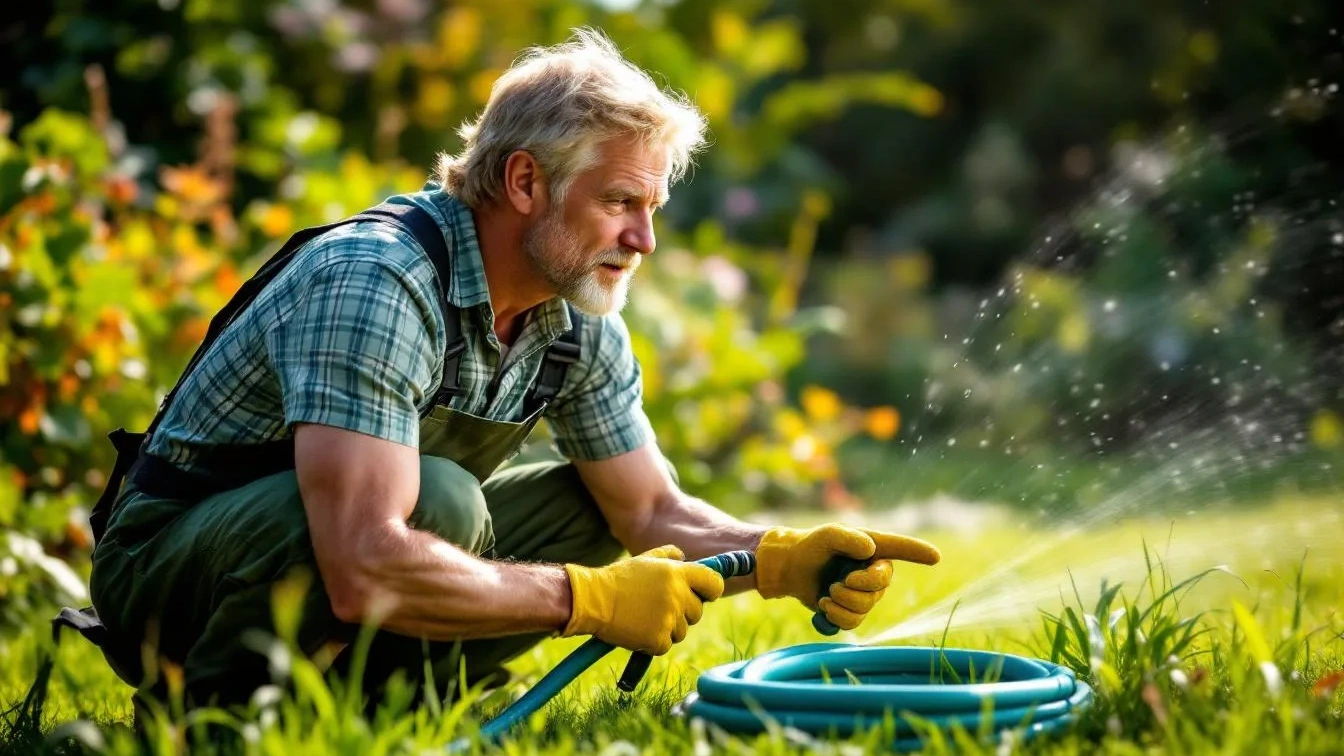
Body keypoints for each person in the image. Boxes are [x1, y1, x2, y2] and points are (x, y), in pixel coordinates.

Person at [85, 28, 941, 720]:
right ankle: (214, 718)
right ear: (526, 181)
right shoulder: (377, 280)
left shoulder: (574, 315)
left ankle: (388, 707)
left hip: (334, 558)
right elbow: (363, 558)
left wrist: (778, 559)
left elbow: (650, 511)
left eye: (652, 209)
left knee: (589, 507)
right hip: (168, 575)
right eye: (620, 202)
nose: (644, 239)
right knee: (443, 500)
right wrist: (586, 600)